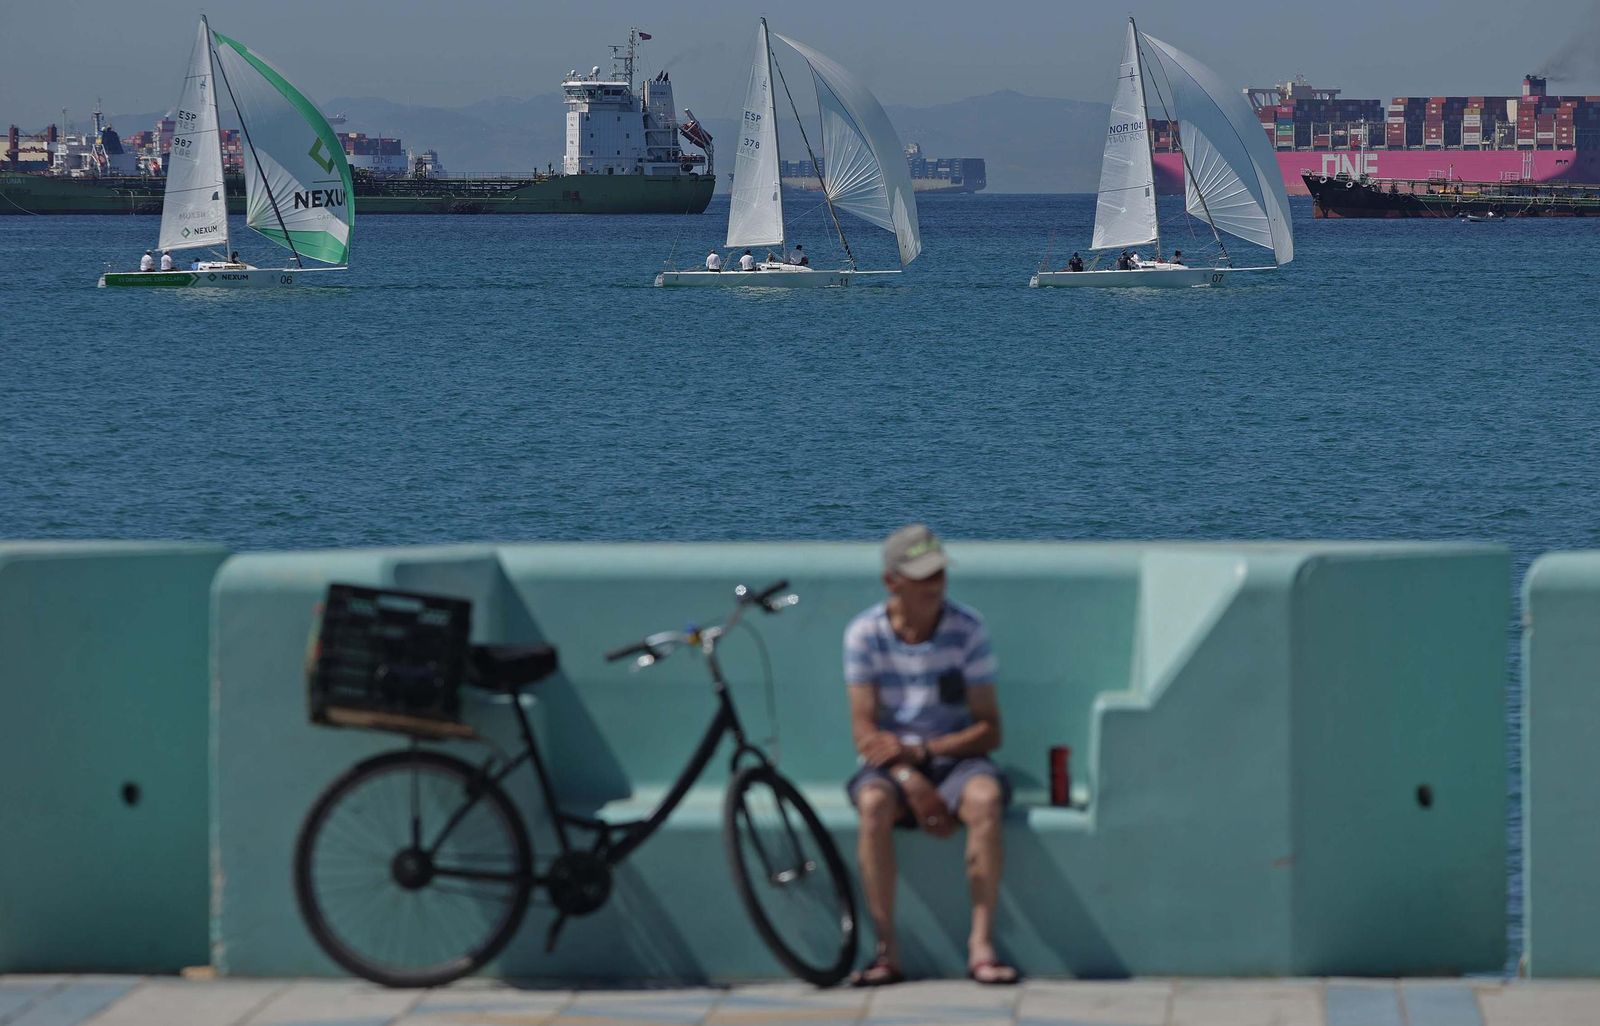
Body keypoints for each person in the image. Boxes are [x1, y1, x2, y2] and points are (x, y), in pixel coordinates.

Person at [844, 523, 1019, 988]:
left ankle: (981, 945)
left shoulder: (968, 629)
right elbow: (863, 730)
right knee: (873, 805)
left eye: (939, 572)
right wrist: (909, 775)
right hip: (890, 765)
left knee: (985, 800)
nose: (935, 585)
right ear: (891, 582)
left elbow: (990, 729)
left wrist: (924, 750)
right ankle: (886, 949)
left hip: (954, 756)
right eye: (922, 575)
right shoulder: (865, 634)